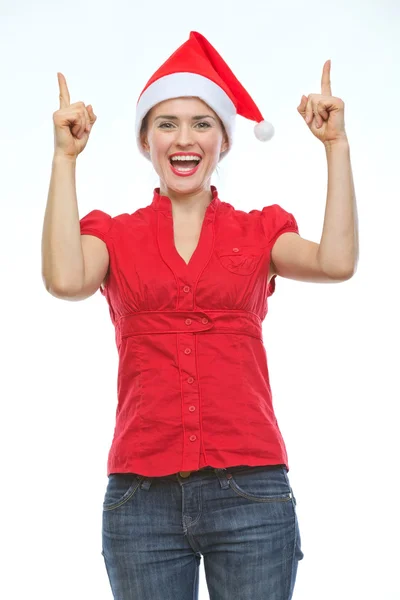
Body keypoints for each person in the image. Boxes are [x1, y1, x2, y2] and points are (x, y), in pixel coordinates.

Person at [42, 30, 358, 600]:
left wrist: (336, 147)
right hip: (142, 498)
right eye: (166, 124)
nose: (184, 138)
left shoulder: (259, 231)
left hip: (253, 491)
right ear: (144, 141)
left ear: (224, 142)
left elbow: (336, 262)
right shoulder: (114, 236)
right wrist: (65, 159)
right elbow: (64, 279)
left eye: (201, 123)